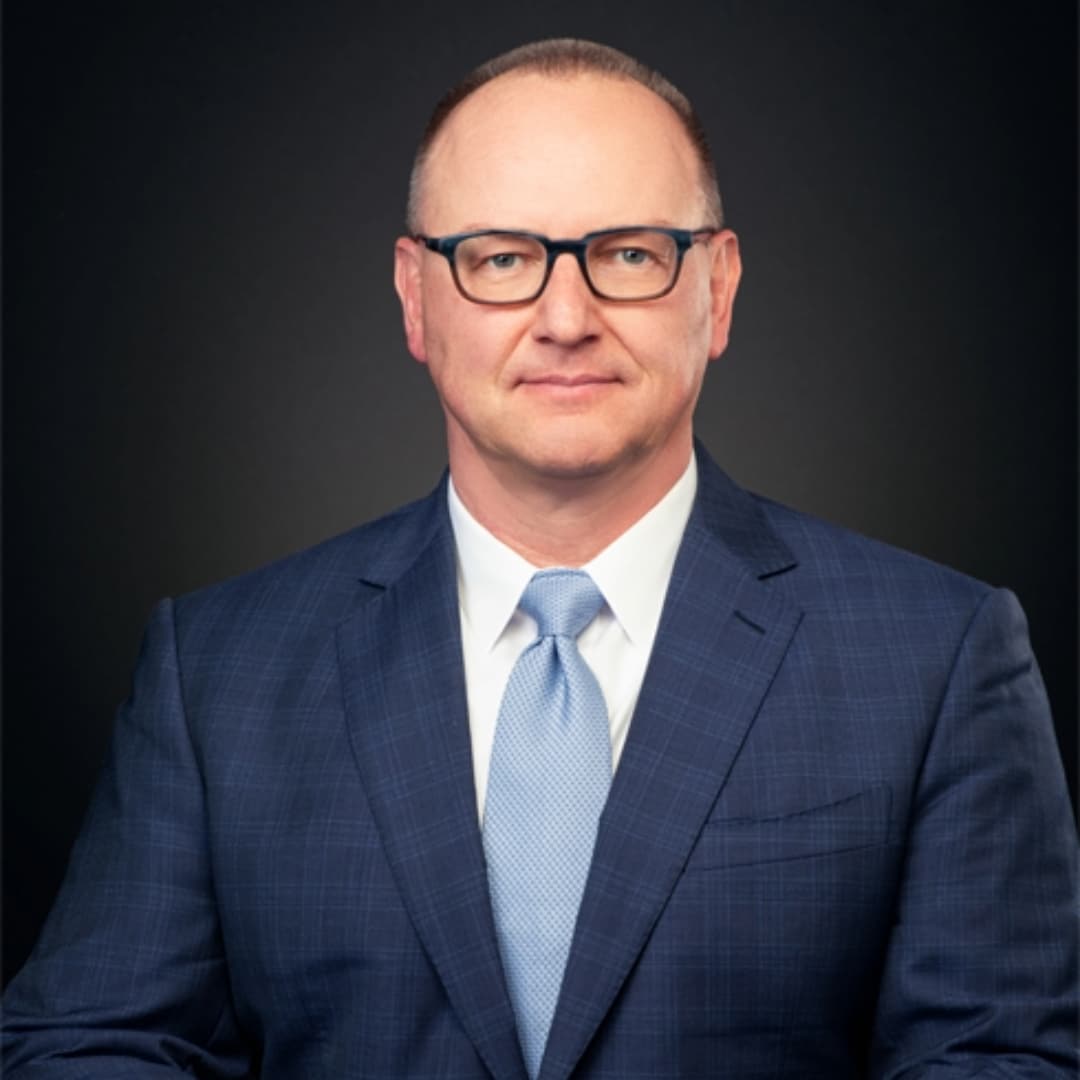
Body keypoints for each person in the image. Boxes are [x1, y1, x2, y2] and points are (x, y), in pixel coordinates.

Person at [4, 37, 1077, 1080]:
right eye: (503, 259)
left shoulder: (938, 659)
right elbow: (93, 1043)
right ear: (415, 297)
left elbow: (996, 1058)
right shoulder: (216, 673)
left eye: (628, 255)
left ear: (721, 289)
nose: (567, 317)